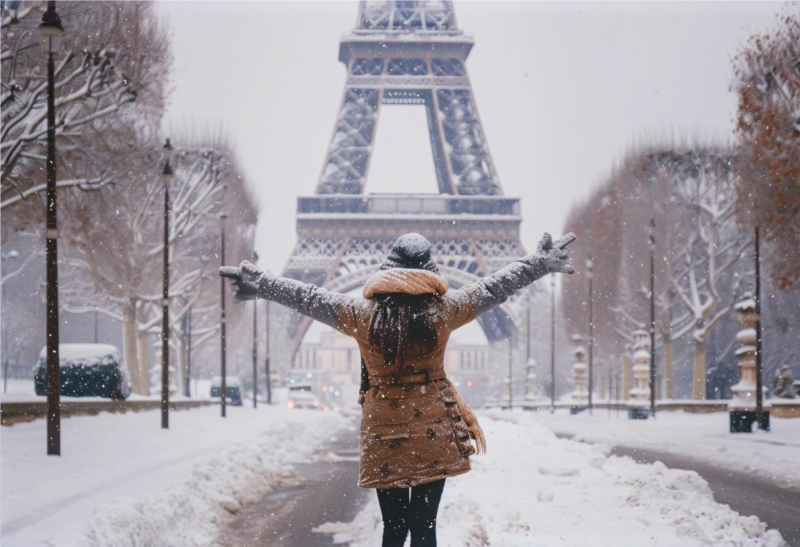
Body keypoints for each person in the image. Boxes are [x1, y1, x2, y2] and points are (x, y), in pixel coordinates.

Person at [220, 231, 575, 547]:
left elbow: (309, 297)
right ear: (430, 270)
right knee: (425, 528)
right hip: (433, 427)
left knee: (394, 528)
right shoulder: (444, 311)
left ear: (387, 269)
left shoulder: (360, 314)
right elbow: (493, 288)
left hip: (383, 429)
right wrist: (537, 264)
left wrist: (263, 282)